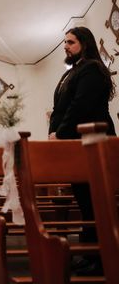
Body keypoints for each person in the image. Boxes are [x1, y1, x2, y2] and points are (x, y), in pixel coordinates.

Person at [48, 26, 116, 276]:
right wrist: (53, 131)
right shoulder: (75, 70)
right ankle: (90, 253)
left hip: (92, 142)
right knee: (86, 203)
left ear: (84, 44)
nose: (65, 46)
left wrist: (60, 133)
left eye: (71, 42)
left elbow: (80, 106)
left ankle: (100, 258)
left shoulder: (91, 70)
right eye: (65, 41)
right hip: (78, 143)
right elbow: (62, 107)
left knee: (95, 202)